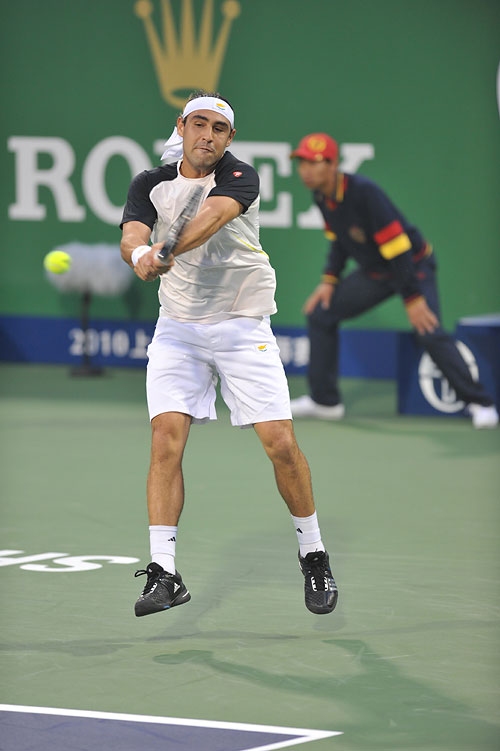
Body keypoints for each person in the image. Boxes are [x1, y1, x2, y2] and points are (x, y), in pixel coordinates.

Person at [120, 93, 338, 618]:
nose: (208, 135)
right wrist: (140, 254)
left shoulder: (240, 177)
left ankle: (313, 553)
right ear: (181, 127)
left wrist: (165, 251)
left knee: (280, 443)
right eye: (199, 124)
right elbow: (131, 234)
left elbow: (211, 219)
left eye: (219, 128)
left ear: (230, 138)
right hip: (178, 329)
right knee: (165, 439)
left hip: (242, 324)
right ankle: (164, 571)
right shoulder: (150, 182)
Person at [289, 133, 498, 430]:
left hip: (413, 266)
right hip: (377, 272)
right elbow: (339, 241)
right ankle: (325, 401)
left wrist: (412, 298)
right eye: (302, 163)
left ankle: (481, 402)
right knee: (321, 314)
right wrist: (329, 280)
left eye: (314, 163)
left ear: (333, 165)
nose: (305, 170)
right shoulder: (322, 197)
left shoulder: (365, 193)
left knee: (428, 330)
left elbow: (399, 249)